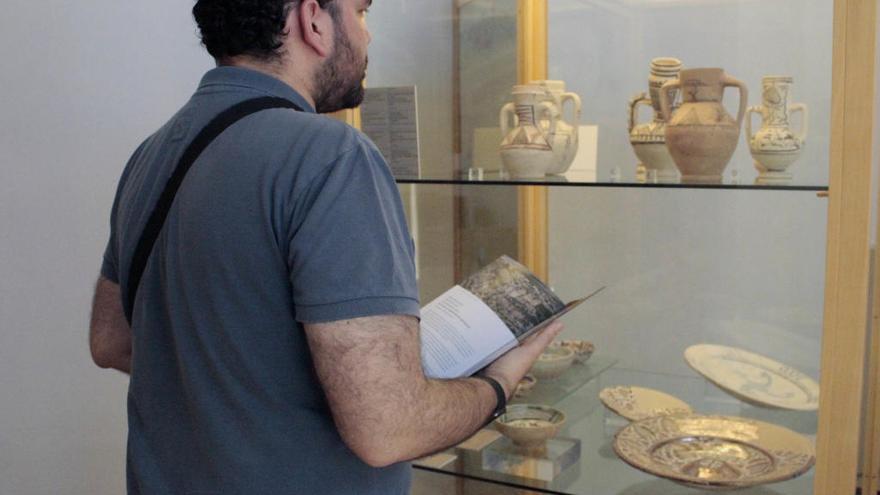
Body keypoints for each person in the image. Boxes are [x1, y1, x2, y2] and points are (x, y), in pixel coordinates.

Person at [88, 0, 564, 493]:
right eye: (360, 11)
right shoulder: (332, 155)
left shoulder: (152, 152)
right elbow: (388, 430)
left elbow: (111, 341)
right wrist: (498, 384)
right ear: (312, 19)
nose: (368, 35)